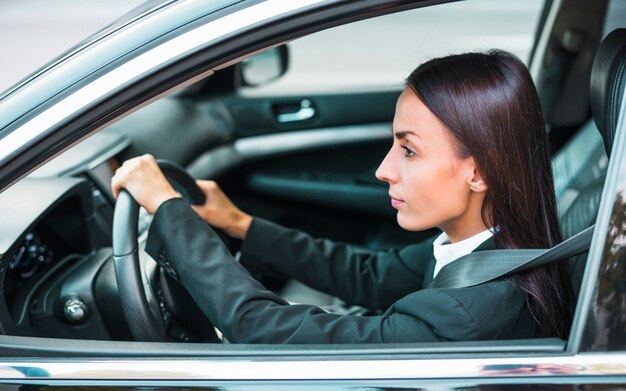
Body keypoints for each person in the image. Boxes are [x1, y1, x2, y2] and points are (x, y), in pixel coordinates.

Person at [111, 50, 575, 343]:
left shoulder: (464, 313)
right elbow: (369, 275)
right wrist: (238, 223)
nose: (383, 170)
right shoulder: (487, 244)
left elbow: (258, 328)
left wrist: (171, 212)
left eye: (409, 150)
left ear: (478, 172)